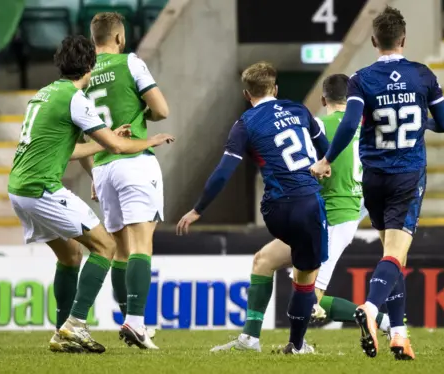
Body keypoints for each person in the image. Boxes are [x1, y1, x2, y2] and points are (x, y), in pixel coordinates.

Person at [7, 35, 174, 353]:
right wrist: (150, 141)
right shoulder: (75, 98)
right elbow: (118, 147)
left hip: (20, 190)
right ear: (90, 65)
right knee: (105, 246)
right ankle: (76, 325)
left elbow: (69, 149)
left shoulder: (45, 93)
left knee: (70, 255)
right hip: (42, 188)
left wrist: (107, 139)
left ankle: (62, 332)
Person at [209, 74, 391, 353]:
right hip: (344, 214)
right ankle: (250, 339)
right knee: (264, 261)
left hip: (327, 216)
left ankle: (374, 320)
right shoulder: (365, 129)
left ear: (323, 99)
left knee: (310, 297)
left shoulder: (318, 125)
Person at [310, 6, 444, 360]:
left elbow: (348, 125)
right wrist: (421, 123)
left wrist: (327, 159)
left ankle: (400, 335)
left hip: (374, 178)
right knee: (394, 253)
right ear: (404, 39)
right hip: (408, 175)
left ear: (374, 41)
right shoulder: (423, 76)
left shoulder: (361, 78)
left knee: (391, 252)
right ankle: (372, 310)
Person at [177, 61, 328, 354]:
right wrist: (324, 165)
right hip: (307, 205)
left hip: (274, 210)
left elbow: (223, 172)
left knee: (264, 260)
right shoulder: (299, 111)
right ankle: (297, 345)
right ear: (276, 88)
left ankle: (249, 339)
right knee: (305, 276)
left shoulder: (245, 123)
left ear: (247, 94)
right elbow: (325, 147)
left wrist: (198, 209)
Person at [85, 12, 170, 349]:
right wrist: (141, 111)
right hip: (134, 161)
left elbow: (83, 136)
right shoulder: (130, 63)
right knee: (141, 244)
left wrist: (93, 173)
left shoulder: (84, 76)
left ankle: (131, 321)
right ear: (119, 38)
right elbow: (161, 110)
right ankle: (135, 322)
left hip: (103, 166)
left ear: (94, 40)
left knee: (121, 251)